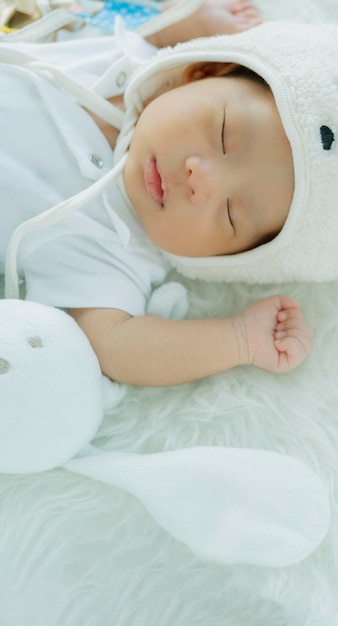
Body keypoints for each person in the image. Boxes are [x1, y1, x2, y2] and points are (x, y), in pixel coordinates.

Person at [0, 0, 313, 388]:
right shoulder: (134, 57)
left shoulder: (114, 247)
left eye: (230, 214)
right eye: (222, 134)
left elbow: (116, 347)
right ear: (199, 72)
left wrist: (239, 339)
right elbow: (101, 13)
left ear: (221, 260)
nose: (203, 183)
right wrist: (191, 21)